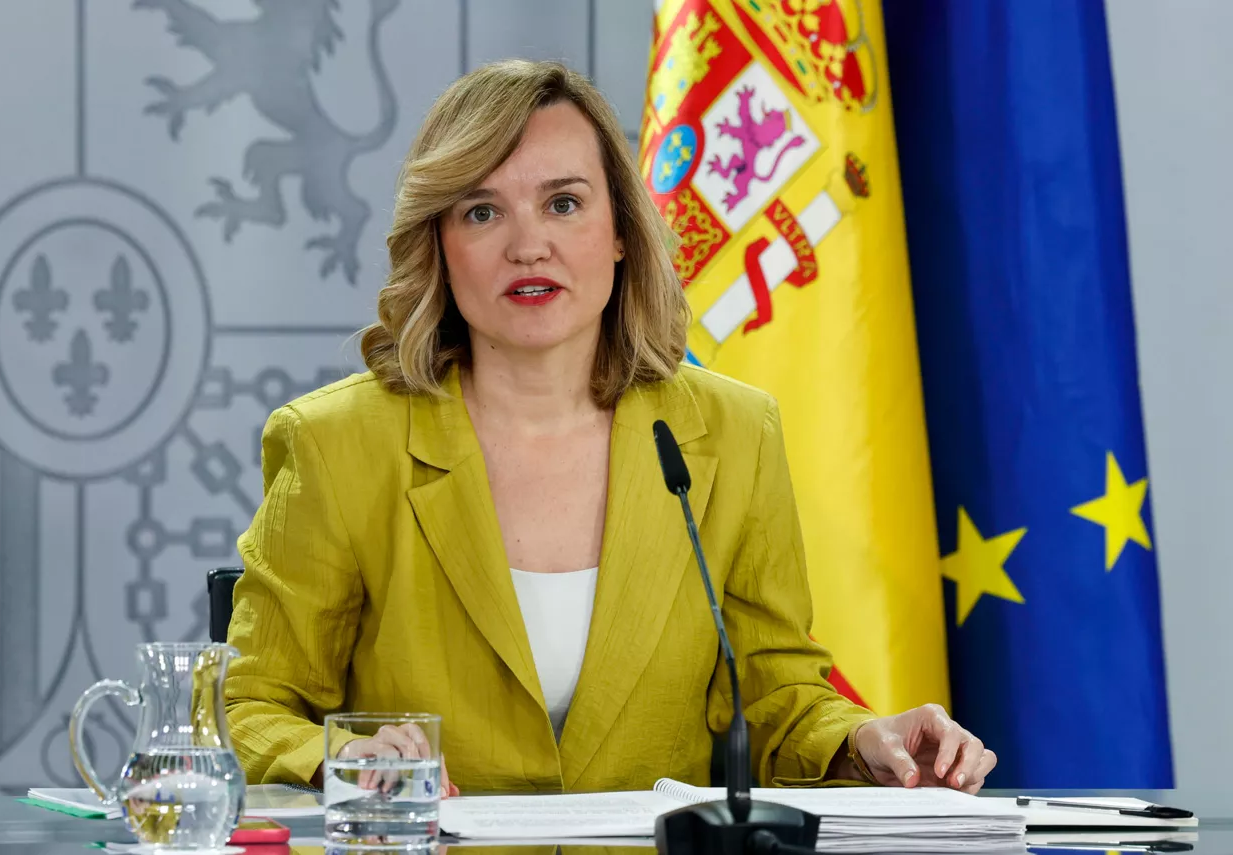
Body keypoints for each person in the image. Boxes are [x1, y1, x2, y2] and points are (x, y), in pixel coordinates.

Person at [225, 59, 997, 796]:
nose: (529, 245)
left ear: (622, 231)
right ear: (439, 242)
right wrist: (342, 754)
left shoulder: (732, 432)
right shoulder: (335, 442)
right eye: (482, 210)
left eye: (563, 203)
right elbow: (246, 709)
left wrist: (864, 741)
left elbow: (774, 694)